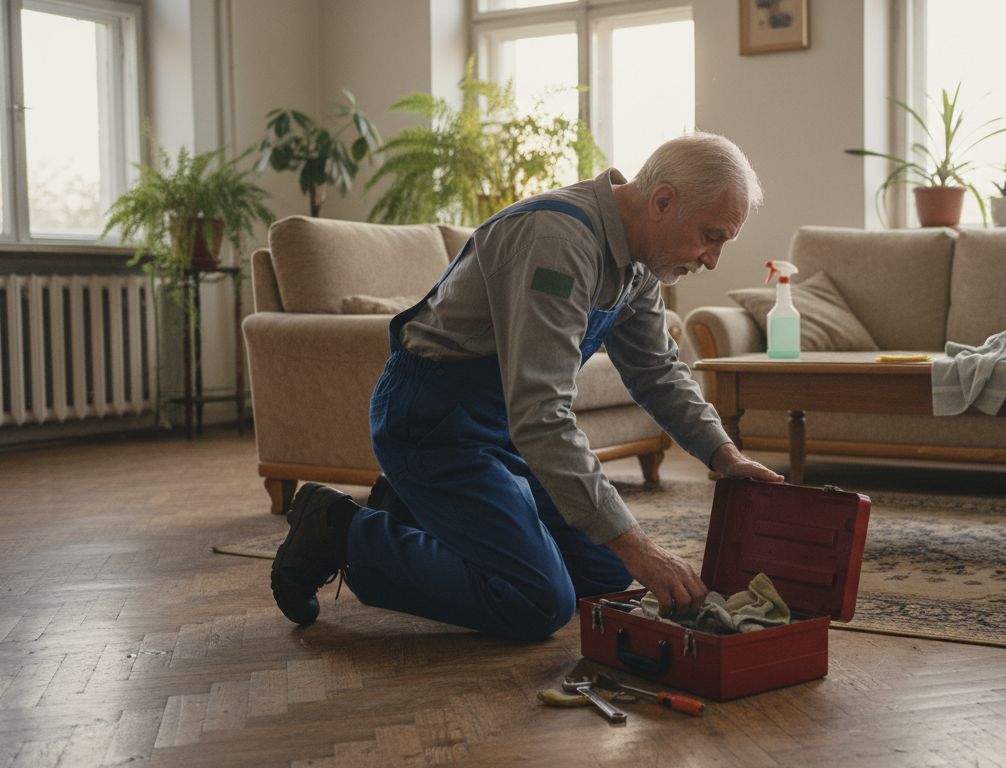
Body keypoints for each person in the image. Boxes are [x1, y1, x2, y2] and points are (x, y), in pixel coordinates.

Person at [270, 132, 783, 640]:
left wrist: (724, 456)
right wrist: (641, 546)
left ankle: (411, 510)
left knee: (602, 575)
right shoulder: (556, 244)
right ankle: (342, 530)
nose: (712, 259)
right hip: (431, 424)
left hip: (501, 431)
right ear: (663, 201)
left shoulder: (641, 265)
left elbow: (657, 371)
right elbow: (541, 415)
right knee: (536, 599)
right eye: (712, 236)